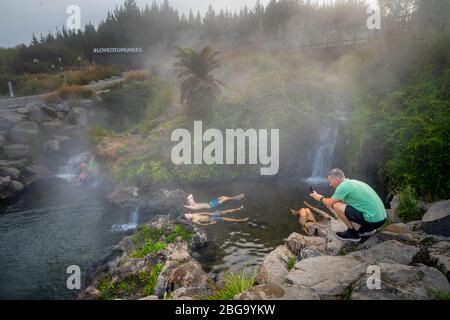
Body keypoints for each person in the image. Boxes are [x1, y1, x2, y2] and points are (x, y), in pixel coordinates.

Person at [310, 168, 387, 242]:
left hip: (373, 221)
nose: (330, 185)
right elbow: (342, 201)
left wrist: (319, 198)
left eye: (330, 182)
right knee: (342, 203)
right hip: (381, 219)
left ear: (337, 180)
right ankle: (368, 229)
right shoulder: (353, 182)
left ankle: (352, 234)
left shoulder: (342, 186)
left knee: (336, 206)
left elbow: (330, 203)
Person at [184, 206, 248, 226]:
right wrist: (211, 223)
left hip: (211, 216)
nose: (188, 214)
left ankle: (237, 209)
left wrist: (211, 213)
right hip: (211, 219)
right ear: (188, 219)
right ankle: (240, 220)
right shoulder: (194, 220)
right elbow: (203, 225)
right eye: (187, 216)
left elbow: (204, 212)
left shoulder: (195, 214)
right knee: (224, 218)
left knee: (223, 211)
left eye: (187, 214)